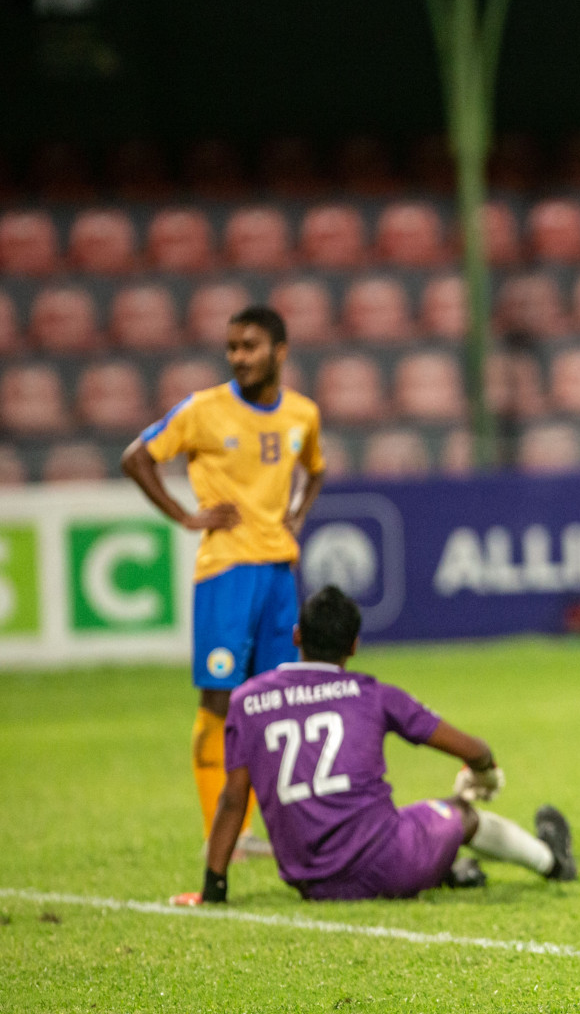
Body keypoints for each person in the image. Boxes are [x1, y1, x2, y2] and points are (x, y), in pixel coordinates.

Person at [173, 586, 576, 906]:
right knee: (460, 814)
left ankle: (451, 870)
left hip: (309, 878)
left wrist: (214, 888)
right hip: (388, 865)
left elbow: (233, 799)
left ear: (297, 636)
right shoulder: (372, 694)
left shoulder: (247, 701)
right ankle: (553, 862)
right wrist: (484, 770)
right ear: (354, 646)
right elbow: (472, 747)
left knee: (397, 820)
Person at [122, 304, 325, 858]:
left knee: (277, 702)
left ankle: (267, 827)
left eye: (250, 346)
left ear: (280, 351)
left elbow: (318, 467)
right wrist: (185, 515)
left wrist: (299, 513)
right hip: (226, 574)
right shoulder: (203, 410)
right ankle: (222, 834)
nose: (238, 357)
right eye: (232, 347)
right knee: (220, 699)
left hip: (279, 573)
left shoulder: (303, 414)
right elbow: (136, 458)